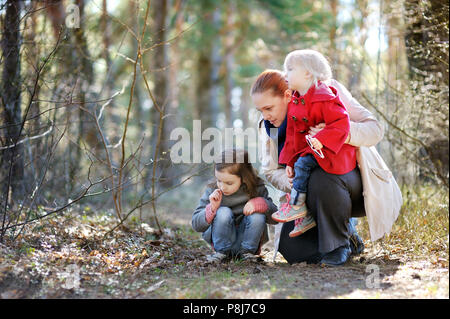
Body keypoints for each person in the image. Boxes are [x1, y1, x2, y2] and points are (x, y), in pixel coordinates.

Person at [251, 69, 384, 266]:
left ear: (287, 96)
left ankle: (338, 245)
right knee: (293, 251)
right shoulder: (269, 126)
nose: (265, 115)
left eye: (269, 108)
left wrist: (337, 133)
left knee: (320, 175)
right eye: (260, 110)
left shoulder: (326, 92)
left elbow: (375, 129)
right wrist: (292, 181)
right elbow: (270, 170)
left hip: (349, 182)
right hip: (303, 193)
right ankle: (349, 237)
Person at [272, 49, 357, 239]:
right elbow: (293, 136)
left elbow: (341, 124)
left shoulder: (324, 96)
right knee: (301, 170)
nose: (285, 74)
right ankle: (307, 215)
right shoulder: (296, 100)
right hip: (311, 151)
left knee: (305, 167)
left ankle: (297, 206)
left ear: (308, 73)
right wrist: (289, 163)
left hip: (333, 154)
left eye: (290, 69)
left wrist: (322, 137)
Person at [191, 149, 278, 263]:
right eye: (219, 180)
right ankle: (222, 254)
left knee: (257, 215)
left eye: (229, 183)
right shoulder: (213, 190)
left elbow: (275, 218)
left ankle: (247, 254)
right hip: (221, 243)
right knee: (223, 212)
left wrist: (264, 204)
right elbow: (196, 224)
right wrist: (211, 209)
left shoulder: (256, 188)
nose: (222, 187)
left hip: (248, 242)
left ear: (243, 178)